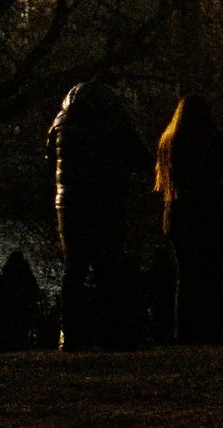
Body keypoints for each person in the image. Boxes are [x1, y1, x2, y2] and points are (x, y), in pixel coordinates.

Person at [45, 76, 151, 349]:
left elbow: (49, 159)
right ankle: (111, 333)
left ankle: (69, 335)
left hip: (68, 204)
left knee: (74, 270)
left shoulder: (60, 121)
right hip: (108, 202)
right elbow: (141, 158)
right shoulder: (115, 121)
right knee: (108, 269)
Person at [155, 93, 223, 342]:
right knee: (212, 275)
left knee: (187, 276)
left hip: (177, 214)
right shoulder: (209, 138)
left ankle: (185, 332)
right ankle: (212, 329)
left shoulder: (169, 141)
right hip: (209, 214)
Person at [0, 248, 44, 350]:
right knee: (21, 324)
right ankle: (19, 343)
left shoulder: (8, 271)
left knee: (13, 324)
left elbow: (3, 286)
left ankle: (10, 343)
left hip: (13, 302)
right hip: (22, 302)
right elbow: (33, 287)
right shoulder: (24, 271)